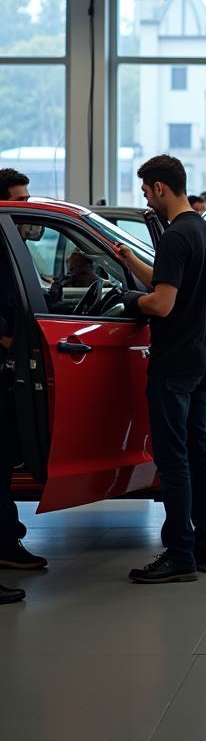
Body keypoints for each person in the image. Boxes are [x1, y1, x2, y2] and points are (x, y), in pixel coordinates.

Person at [116, 154, 206, 584]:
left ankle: (179, 555)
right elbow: (166, 279)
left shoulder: (177, 235)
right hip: (202, 361)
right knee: (201, 455)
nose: (146, 197)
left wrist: (127, 300)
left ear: (160, 187)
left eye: (146, 190)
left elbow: (161, 302)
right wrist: (129, 262)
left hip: (173, 364)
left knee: (173, 460)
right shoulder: (202, 230)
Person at [0, 168, 43, 606]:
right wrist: (11, 340)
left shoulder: (13, 250)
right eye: (20, 200)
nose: (28, 208)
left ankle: (8, 544)